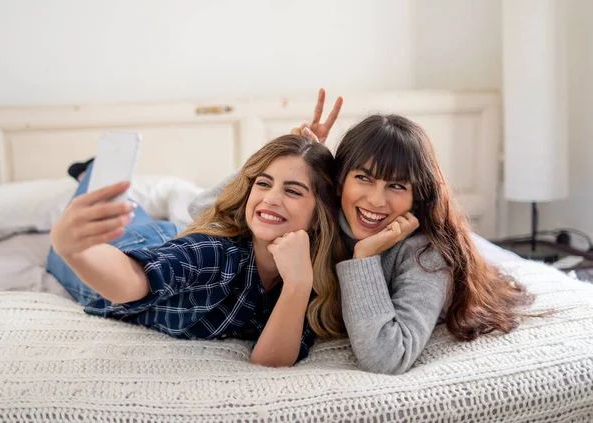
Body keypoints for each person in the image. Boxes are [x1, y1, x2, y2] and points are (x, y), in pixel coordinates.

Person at [190, 90, 534, 375]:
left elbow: (388, 357)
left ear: (418, 196)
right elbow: (200, 210)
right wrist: (287, 157)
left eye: (397, 185)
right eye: (363, 178)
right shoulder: (322, 211)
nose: (376, 200)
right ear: (339, 183)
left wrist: (364, 258)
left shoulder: (424, 255)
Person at [46, 134, 346, 367]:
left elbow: (270, 362)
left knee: (133, 215)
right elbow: (132, 281)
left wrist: (298, 285)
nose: (271, 198)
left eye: (292, 191)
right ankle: (90, 170)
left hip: (169, 238)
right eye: (263, 184)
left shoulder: (312, 278)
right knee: (97, 214)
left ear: (320, 212)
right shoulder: (214, 254)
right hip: (124, 250)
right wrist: (73, 249)